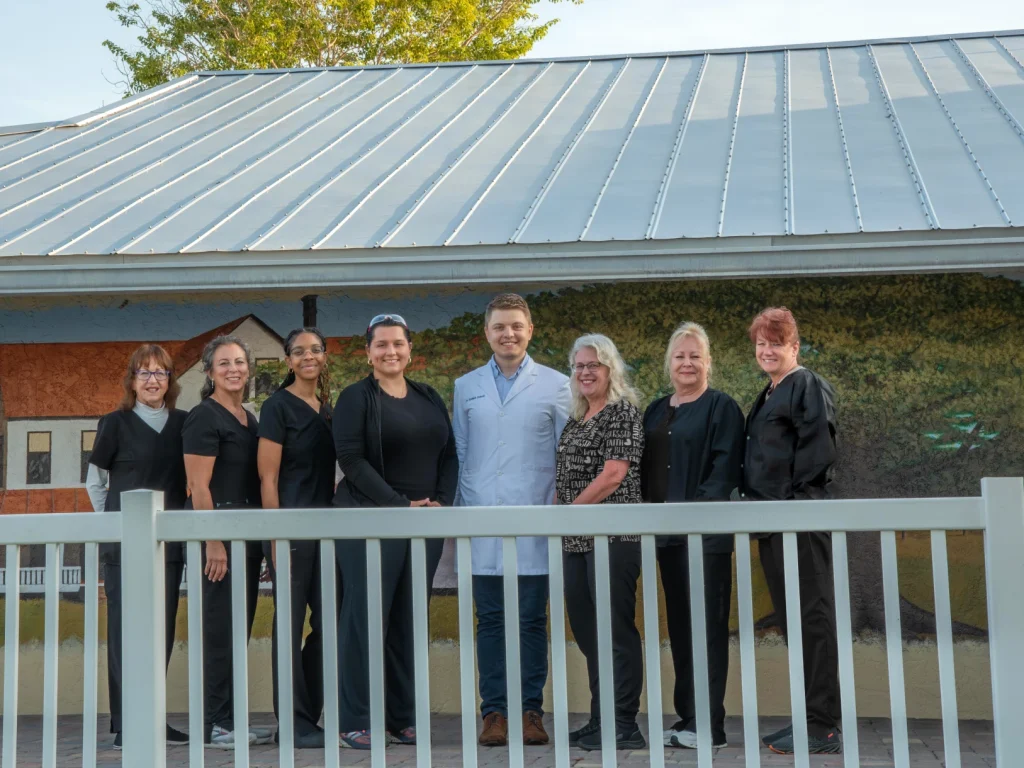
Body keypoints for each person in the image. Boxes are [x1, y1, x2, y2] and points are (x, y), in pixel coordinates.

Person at [332, 313, 458, 750]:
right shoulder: (355, 398)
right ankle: (355, 719)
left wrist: (440, 501)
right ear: (368, 352)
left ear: (409, 350)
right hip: (369, 519)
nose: (390, 352)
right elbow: (351, 460)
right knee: (365, 620)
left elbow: (449, 454)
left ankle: (402, 718)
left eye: (397, 344)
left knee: (407, 619)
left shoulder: (427, 396)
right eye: (381, 345)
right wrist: (399, 505)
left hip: (423, 522)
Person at [452, 293, 571, 747]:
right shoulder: (467, 386)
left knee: (530, 620)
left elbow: (564, 455)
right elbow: (463, 453)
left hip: (534, 517)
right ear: (487, 333)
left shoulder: (556, 385)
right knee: (491, 620)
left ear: (530, 330)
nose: (509, 334)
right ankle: (494, 714)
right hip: (481, 518)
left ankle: (530, 713)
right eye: (500, 326)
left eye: (516, 326)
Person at [640, 323, 745, 750]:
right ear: (670, 363)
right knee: (680, 630)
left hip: (704, 540)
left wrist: (693, 518)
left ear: (708, 363)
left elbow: (723, 471)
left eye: (695, 356)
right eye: (680, 356)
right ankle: (687, 719)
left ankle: (710, 726)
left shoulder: (721, 407)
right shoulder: (654, 410)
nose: (687, 363)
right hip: (665, 540)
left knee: (707, 630)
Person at [743, 307, 841, 755]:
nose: (767, 350)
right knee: (794, 623)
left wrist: (793, 510)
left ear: (794, 347)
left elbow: (818, 452)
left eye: (775, 343)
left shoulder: (806, 385)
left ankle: (822, 728)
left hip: (798, 522)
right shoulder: (768, 392)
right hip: (771, 525)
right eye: (761, 343)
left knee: (812, 621)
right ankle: (808, 719)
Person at [86, 344, 190, 751]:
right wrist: (116, 526)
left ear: (170, 380)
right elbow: (95, 484)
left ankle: (153, 717)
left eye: (160, 373)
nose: (152, 380)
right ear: (132, 381)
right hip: (124, 548)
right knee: (125, 633)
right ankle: (125, 724)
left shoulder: (184, 423)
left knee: (160, 631)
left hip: (167, 545)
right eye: (144, 373)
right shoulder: (115, 423)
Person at [556, 334, 646, 752]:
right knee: (589, 631)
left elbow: (614, 474)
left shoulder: (621, 413)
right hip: (576, 540)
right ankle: (600, 717)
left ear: (611, 369)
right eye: (579, 366)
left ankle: (624, 723)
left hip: (613, 535)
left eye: (594, 364)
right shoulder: (578, 417)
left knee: (614, 630)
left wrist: (569, 511)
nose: (586, 372)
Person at [182, 335, 272, 749]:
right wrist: (212, 542)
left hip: (247, 534)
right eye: (224, 363)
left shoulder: (249, 419)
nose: (233, 369)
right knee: (219, 632)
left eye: (239, 361)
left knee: (238, 630)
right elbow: (198, 486)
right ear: (209, 371)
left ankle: (230, 721)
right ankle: (214, 723)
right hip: (219, 537)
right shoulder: (204, 417)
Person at [257, 328, 338, 749]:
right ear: (288, 360)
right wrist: (275, 537)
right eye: (299, 352)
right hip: (289, 532)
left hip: (326, 532)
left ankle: (310, 714)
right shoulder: (277, 407)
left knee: (331, 622)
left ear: (324, 357)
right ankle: (292, 720)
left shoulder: (327, 409)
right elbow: (268, 478)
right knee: (288, 625)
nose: (308, 357)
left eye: (316, 350)